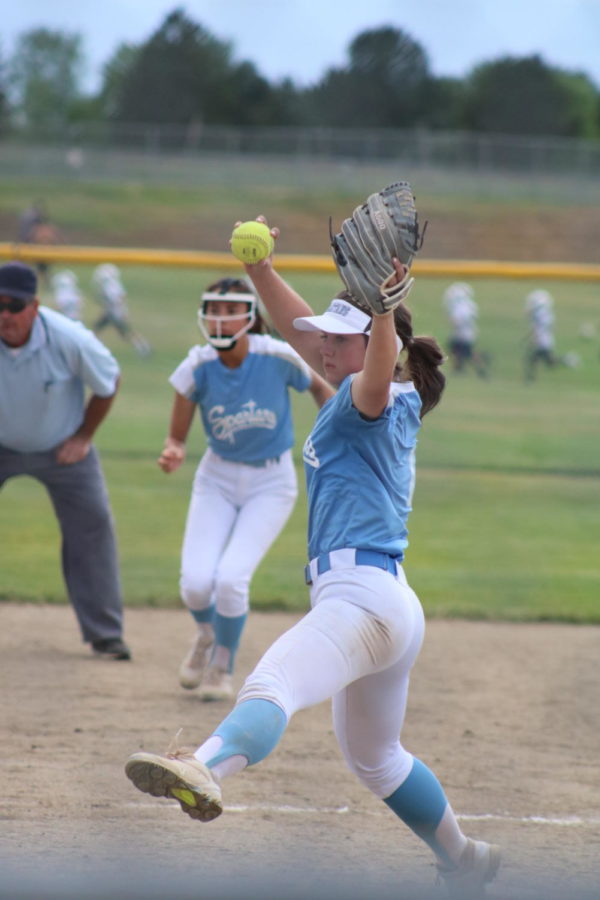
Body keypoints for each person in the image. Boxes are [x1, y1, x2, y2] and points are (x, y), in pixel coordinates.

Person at [125, 222, 500, 897]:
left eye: (338, 336)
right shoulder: (369, 384)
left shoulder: (372, 398)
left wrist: (382, 309)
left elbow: (374, 367)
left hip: (360, 599)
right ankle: (463, 858)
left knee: (273, 684)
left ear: (373, 345)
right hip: (386, 604)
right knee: (376, 758)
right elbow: (307, 335)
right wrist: (264, 268)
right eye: (324, 334)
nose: (322, 343)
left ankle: (204, 766)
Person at [159, 276, 332, 701]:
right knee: (196, 584)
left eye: (228, 310)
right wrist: (175, 446)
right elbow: (182, 408)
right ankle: (205, 636)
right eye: (213, 311)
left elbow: (319, 384)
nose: (219, 320)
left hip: (270, 481)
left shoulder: (275, 355)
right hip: (217, 476)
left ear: (249, 314)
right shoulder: (198, 364)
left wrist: (335, 429)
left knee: (231, 580)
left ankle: (222, 665)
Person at [0, 261, 131, 661]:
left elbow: (109, 382)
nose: (5, 315)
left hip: (61, 446)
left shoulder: (69, 338)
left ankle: (106, 634)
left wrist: (83, 437)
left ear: (34, 307)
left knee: (92, 527)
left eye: (14, 305)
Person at [91, 264, 152, 357]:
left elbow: (120, 298)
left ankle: (143, 347)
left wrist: (119, 311)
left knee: (127, 333)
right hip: (111, 313)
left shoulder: (111, 286)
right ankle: (143, 347)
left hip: (115, 314)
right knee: (97, 329)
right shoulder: (112, 285)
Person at [523, 289, 578, 381]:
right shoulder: (545, 314)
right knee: (548, 363)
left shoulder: (540, 314)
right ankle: (567, 360)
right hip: (545, 341)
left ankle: (529, 380)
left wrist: (534, 338)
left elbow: (538, 328)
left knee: (534, 359)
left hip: (543, 342)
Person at [442, 282, 489, 377]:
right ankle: (458, 368)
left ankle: (480, 370)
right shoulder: (469, 306)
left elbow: (457, 321)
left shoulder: (462, 307)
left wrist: (452, 321)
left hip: (463, 334)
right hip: (465, 334)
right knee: (456, 350)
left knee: (468, 353)